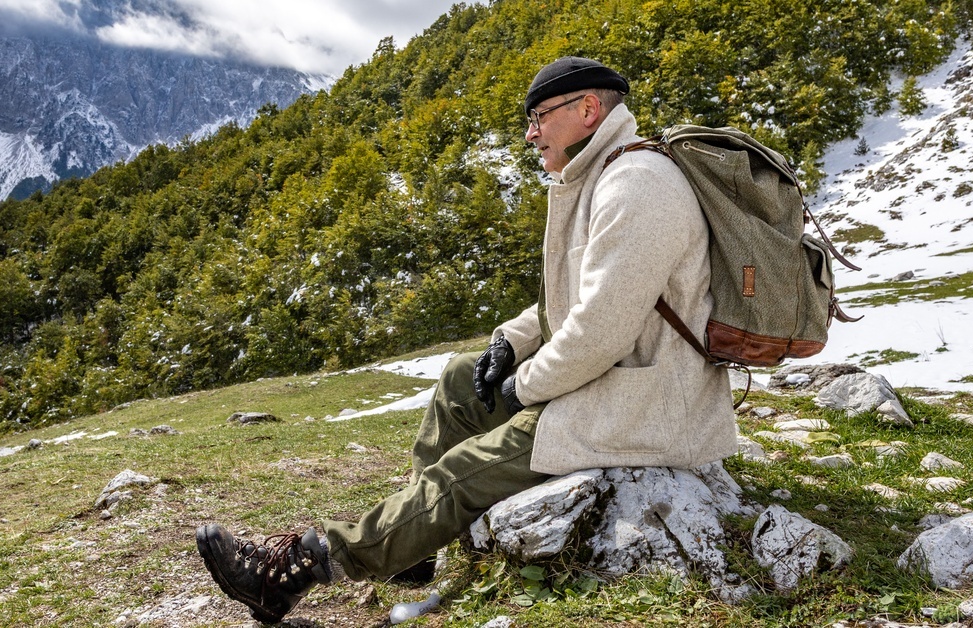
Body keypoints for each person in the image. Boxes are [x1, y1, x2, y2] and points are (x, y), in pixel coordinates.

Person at [195, 56, 738, 624]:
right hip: (618, 378)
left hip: (644, 404)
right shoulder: (606, 175)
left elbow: (598, 332)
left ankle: (293, 572)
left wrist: (521, 388)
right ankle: (413, 550)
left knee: (462, 474)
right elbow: (586, 296)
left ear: (587, 109)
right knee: (462, 376)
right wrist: (510, 341)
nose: (530, 133)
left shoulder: (636, 186)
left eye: (539, 117)